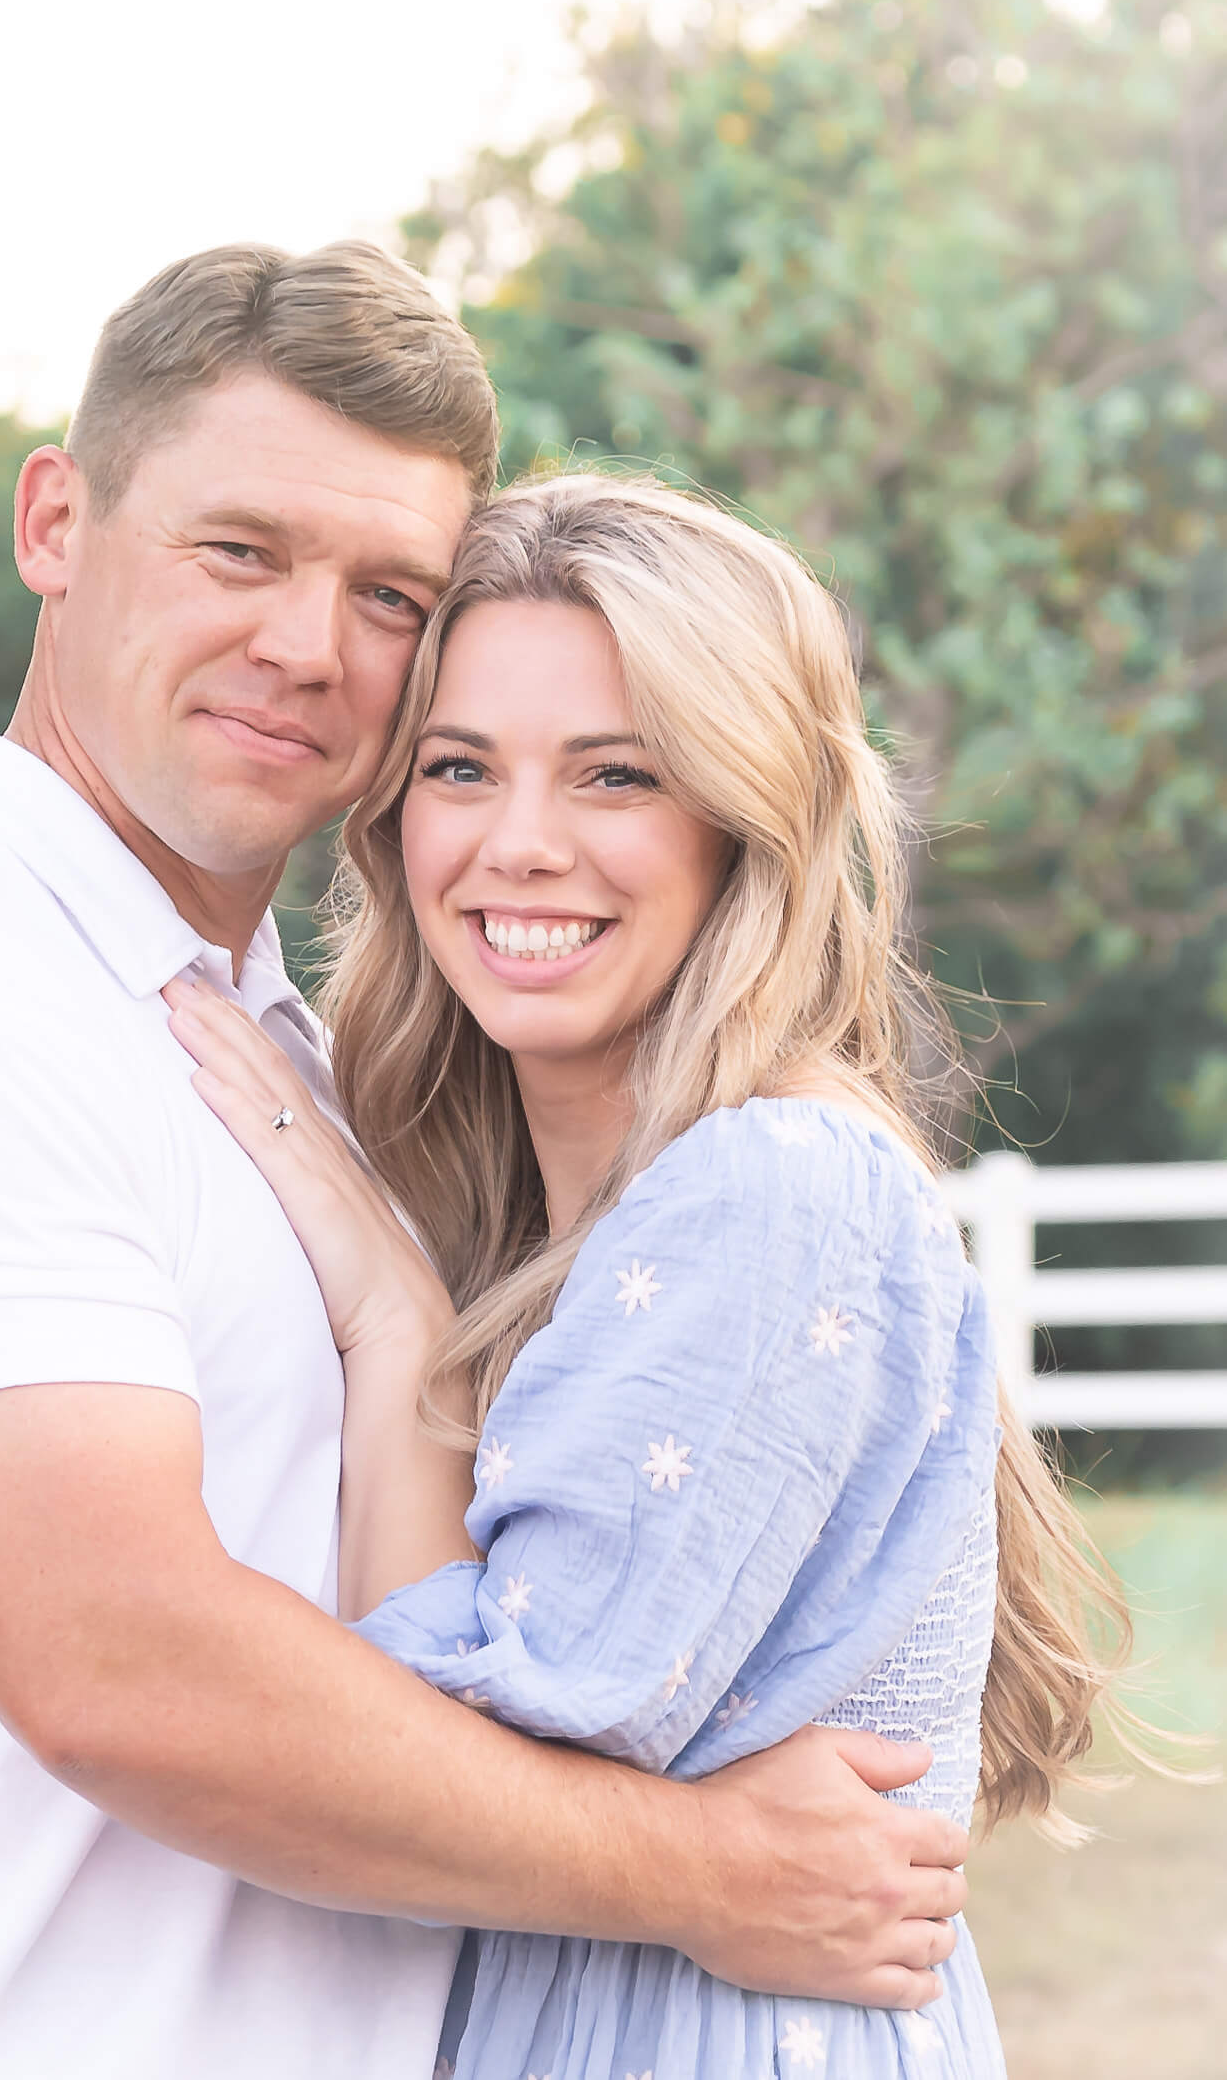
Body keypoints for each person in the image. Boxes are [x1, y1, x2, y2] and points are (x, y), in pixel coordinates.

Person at [0, 246, 969, 2080]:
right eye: (239, 551)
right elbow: (127, 1670)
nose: (307, 643)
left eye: (386, 592)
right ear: (55, 521)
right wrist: (703, 1873)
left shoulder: (291, 1047)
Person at [165, 472, 1130, 2078]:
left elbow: (454, 1770)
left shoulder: (772, 1186)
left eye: (617, 773)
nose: (519, 845)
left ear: (741, 815)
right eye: (460, 767)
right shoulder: (600, 1210)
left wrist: (396, 1325)